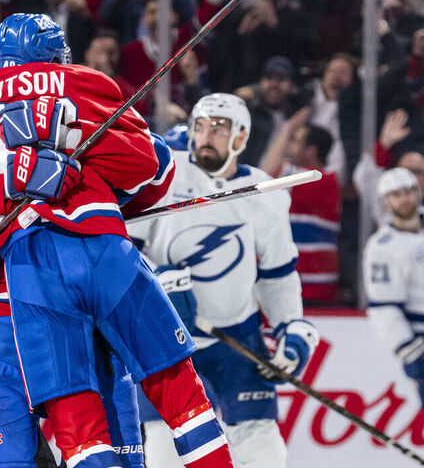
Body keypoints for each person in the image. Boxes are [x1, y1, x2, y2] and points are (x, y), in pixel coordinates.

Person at [0, 13, 233, 468]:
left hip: (46, 301)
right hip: (23, 307)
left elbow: (153, 166)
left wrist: (60, 153)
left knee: (94, 442)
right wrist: (21, 175)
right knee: (166, 401)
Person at [0, 54, 145, 468]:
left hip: (79, 323)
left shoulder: (66, 140)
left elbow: (153, 166)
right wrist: (9, 182)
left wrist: (79, 148)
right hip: (2, 323)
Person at [129, 93, 320, 468]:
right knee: (166, 449)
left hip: (237, 333)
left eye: (218, 128)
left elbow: (278, 274)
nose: (206, 136)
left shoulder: (264, 194)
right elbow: (123, 246)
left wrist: (290, 327)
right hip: (167, 338)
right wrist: (158, 280)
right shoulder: (167, 174)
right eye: (200, 126)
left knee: (262, 449)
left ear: (241, 137)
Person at [261, 109, 341, 304]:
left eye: (295, 141)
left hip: (313, 287)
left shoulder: (324, 179)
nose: (289, 146)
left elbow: (266, 174)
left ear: (310, 150)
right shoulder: (301, 174)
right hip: (294, 283)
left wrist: (287, 129)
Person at [363, 167, 424, 410]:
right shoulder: (382, 248)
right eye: (396, 194)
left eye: (408, 191)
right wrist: (407, 350)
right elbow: (383, 307)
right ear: (385, 201)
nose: (405, 198)